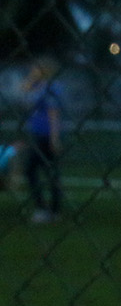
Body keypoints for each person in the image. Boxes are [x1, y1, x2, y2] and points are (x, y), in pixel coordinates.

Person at [19, 58, 64, 224]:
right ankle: (53, 210)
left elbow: (53, 113)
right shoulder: (38, 87)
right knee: (49, 172)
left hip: (46, 135)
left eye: (35, 68)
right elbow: (23, 93)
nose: (32, 71)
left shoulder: (51, 87)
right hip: (38, 134)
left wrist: (54, 138)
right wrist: (31, 80)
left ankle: (44, 209)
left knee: (33, 170)